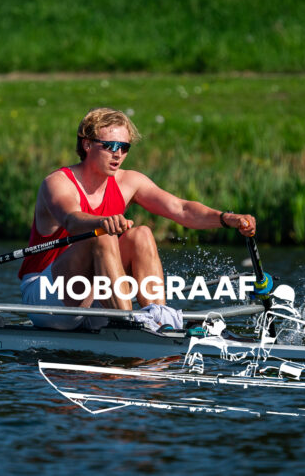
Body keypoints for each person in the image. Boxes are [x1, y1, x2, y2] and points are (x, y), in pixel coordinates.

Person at [18, 107, 256, 330]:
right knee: (102, 236)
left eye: (124, 147)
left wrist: (227, 218)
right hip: (47, 297)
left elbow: (181, 209)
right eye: (110, 146)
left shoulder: (129, 182)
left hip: (95, 295)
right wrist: (101, 222)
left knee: (141, 234)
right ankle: (128, 324)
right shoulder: (58, 182)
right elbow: (72, 220)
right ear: (87, 144)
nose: (118, 154)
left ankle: (159, 320)